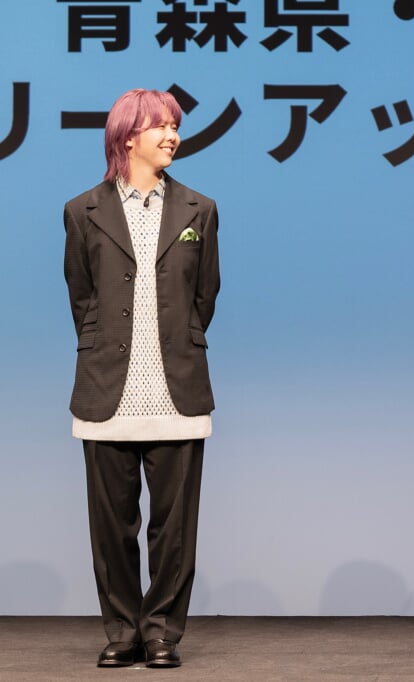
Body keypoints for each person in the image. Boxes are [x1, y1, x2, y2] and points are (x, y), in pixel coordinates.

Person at [63, 89, 220, 669]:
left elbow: (205, 294)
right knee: (112, 526)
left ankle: (161, 632)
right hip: (108, 388)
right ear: (128, 136)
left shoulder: (200, 209)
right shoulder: (82, 210)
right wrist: (103, 347)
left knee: (174, 528)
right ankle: (123, 630)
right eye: (160, 126)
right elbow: (82, 295)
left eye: (175, 126)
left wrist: (177, 341)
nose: (173, 135)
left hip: (177, 387)